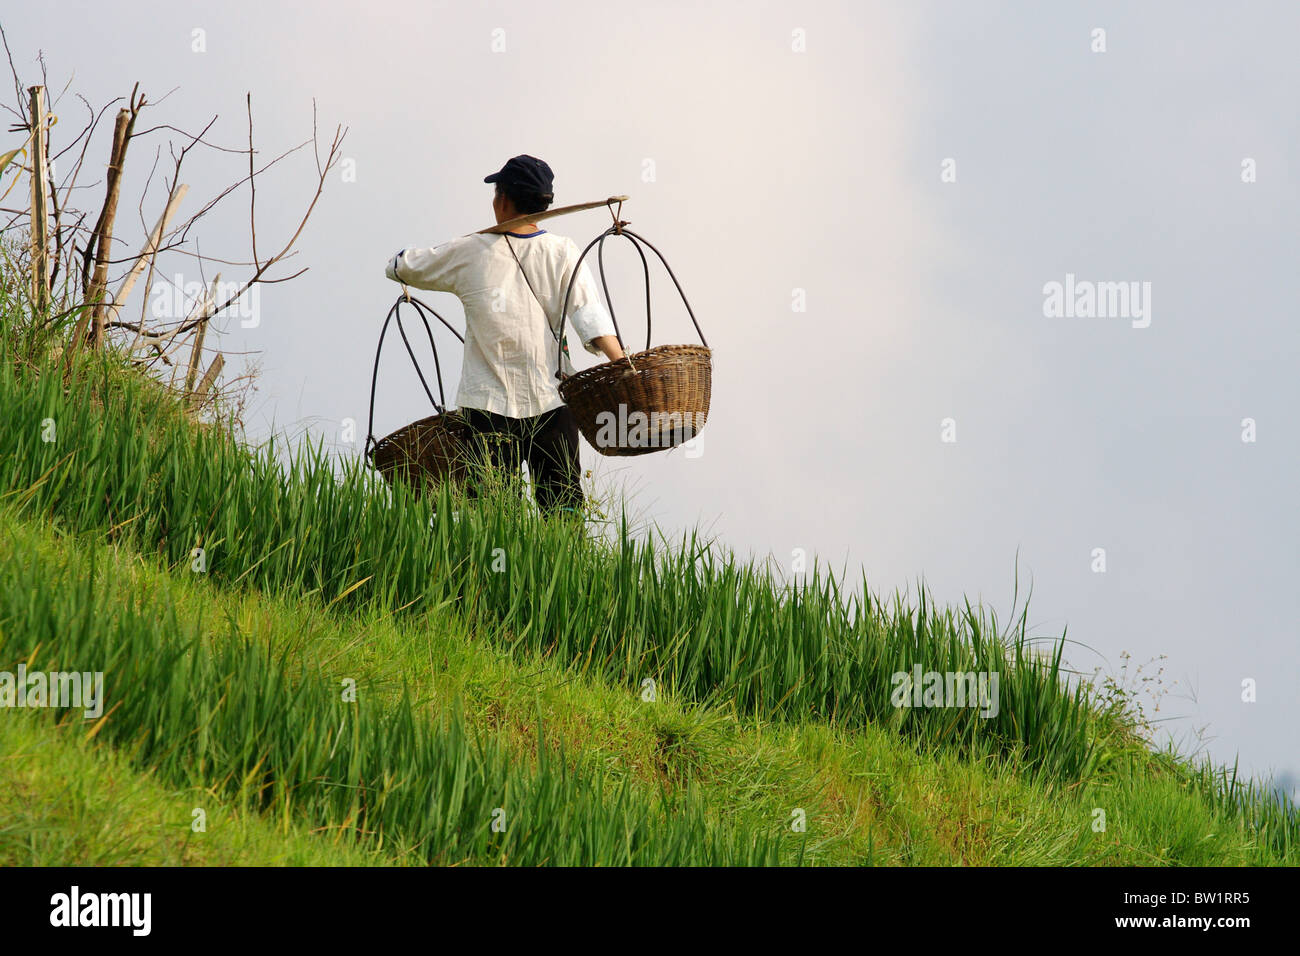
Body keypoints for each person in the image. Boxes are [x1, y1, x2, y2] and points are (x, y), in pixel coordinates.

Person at [384, 154, 624, 516]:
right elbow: (591, 318)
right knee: (562, 513)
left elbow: (399, 266)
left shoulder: (468, 252)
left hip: (488, 408)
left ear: (503, 200)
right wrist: (625, 368)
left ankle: (494, 571)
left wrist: (402, 263)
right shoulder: (562, 251)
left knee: (494, 516)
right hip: (553, 402)